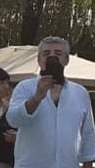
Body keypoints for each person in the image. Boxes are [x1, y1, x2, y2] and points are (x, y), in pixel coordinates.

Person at [7, 36, 95, 168]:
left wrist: (88, 163)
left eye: (58, 54)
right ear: (39, 60)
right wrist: (36, 98)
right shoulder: (25, 87)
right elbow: (13, 120)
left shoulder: (80, 92)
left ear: (66, 60)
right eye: (46, 53)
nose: (51, 57)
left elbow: (88, 132)